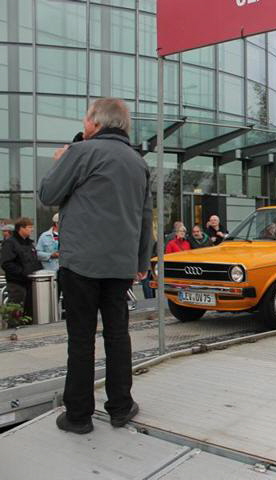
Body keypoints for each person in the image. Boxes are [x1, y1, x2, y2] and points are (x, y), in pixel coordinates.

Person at [39, 97, 152, 435]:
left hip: (81, 264)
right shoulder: (137, 162)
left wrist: (60, 161)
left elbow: (48, 193)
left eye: (86, 119)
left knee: (81, 338)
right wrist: (142, 262)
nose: (83, 125)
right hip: (120, 267)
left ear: (96, 122)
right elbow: (146, 217)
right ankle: (120, 407)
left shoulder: (80, 152)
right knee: (118, 335)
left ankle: (78, 416)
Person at [0, 217, 43, 318]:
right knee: (16, 311)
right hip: (16, 284)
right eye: (29, 227)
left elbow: (34, 260)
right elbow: (6, 263)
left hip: (31, 282)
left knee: (30, 311)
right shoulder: (10, 243)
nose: (31, 230)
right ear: (21, 228)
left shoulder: (29, 244)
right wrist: (22, 272)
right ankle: (12, 329)